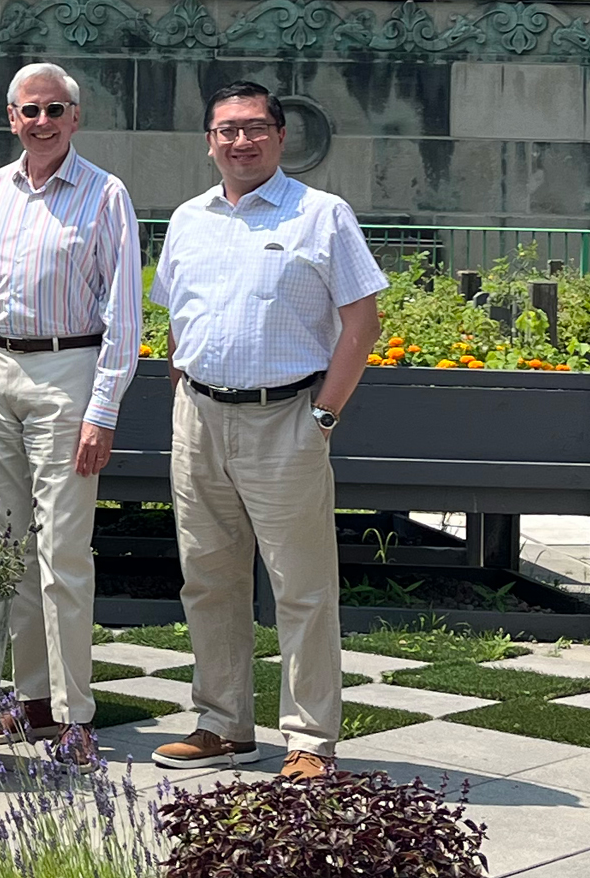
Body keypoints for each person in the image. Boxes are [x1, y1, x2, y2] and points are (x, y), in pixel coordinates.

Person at [149, 81, 385, 781]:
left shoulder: (322, 215)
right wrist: (183, 388)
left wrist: (324, 414)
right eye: (226, 129)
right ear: (209, 141)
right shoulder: (190, 218)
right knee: (208, 579)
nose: (240, 141)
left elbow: (361, 323)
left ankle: (310, 738)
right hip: (199, 417)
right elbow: (175, 315)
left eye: (254, 127)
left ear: (282, 136)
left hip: (287, 416)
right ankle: (223, 723)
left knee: (302, 586)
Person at [0, 62, 141, 772]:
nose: (43, 121)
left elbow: (124, 310)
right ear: (12, 115)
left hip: (68, 371)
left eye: (56, 109)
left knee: (62, 551)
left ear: (76, 117)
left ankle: (74, 713)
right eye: (30, 110)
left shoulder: (105, 194)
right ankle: (28, 700)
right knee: (9, 547)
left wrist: (104, 407)